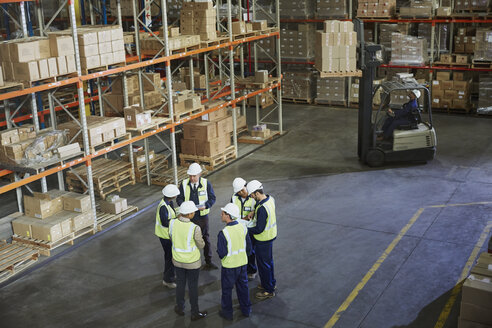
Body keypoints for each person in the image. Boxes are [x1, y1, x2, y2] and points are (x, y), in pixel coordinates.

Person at [170, 201, 208, 321]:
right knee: (192, 287)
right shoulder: (194, 228)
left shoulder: (172, 223)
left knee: (180, 284)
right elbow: (201, 245)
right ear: (190, 213)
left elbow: (171, 236)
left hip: (177, 260)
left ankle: (180, 308)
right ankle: (194, 312)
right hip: (192, 262)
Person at [177, 163, 217, 270]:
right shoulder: (184, 184)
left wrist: (206, 206)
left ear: (199, 174)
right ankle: (190, 261)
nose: (192, 178)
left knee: (205, 238)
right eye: (190, 176)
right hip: (188, 218)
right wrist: (185, 207)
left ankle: (208, 261)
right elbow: (179, 199)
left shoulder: (206, 183)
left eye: (194, 176)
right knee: (188, 238)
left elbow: (212, 198)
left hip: (202, 217)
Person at [217, 203, 252, 321]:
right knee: (243, 288)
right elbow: (249, 249)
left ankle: (227, 313)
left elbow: (222, 253)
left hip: (229, 267)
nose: (221, 214)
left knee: (227, 291)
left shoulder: (224, 233)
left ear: (228, 216)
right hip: (242, 265)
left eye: (223, 213)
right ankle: (246, 310)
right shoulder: (243, 228)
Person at [246, 180, 277, 300]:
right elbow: (260, 207)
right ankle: (270, 283)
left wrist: (246, 228)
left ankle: (268, 290)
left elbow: (259, 229)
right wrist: (254, 211)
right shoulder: (270, 199)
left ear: (256, 193)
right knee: (269, 263)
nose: (251, 197)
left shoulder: (262, 208)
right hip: (270, 236)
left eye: (252, 195)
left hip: (263, 239)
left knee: (263, 265)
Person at [231, 177, 257, 280]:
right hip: (239, 227)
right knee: (240, 250)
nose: (242, 193)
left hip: (250, 229)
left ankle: (252, 270)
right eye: (239, 191)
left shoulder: (253, 197)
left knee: (250, 251)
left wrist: (253, 212)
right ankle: (243, 269)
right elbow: (231, 211)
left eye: (243, 190)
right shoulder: (234, 197)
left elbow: (257, 211)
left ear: (246, 186)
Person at [155, 184, 180, 288]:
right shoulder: (163, 207)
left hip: (168, 235)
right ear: (172, 195)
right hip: (165, 237)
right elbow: (165, 222)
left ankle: (169, 275)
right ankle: (168, 280)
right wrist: (177, 220)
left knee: (169, 257)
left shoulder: (168, 203)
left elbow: (172, 214)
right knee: (170, 258)